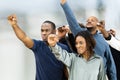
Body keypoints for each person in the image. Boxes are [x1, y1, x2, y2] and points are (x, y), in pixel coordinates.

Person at [60, 0, 117, 80]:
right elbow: (72, 21)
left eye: (92, 20)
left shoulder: (103, 40)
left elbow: (110, 64)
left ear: (98, 25)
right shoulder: (80, 33)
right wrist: (64, 4)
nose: (89, 21)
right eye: (88, 20)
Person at [7, 14, 70, 80]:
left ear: (54, 31)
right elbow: (24, 38)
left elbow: (67, 69)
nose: (44, 33)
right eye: (42, 30)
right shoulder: (38, 46)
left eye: (47, 30)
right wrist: (14, 25)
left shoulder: (64, 47)